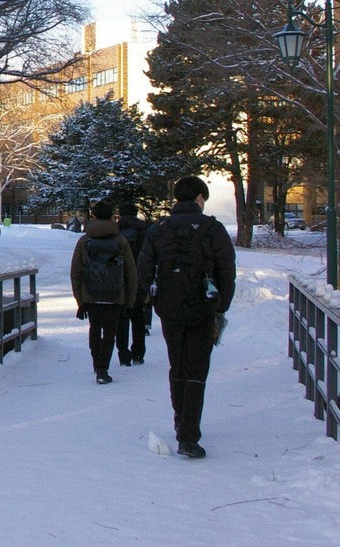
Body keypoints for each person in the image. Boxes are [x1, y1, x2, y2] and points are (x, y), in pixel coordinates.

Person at [137, 176, 236, 459]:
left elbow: (144, 266)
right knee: (197, 369)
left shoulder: (159, 229)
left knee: (177, 365)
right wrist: (221, 305)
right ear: (199, 198)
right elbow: (227, 270)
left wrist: (155, 297)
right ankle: (189, 436)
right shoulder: (212, 229)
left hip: (169, 308)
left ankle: (180, 420)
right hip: (203, 306)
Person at [70, 200, 137, 385]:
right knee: (109, 331)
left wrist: (80, 300)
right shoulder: (120, 241)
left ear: (93, 216)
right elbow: (130, 273)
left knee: (94, 329)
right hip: (115, 294)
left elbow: (75, 272)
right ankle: (103, 369)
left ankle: (96, 362)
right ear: (112, 216)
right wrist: (129, 301)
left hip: (90, 294)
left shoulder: (85, 241)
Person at [115, 201, 150, 366]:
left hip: (119, 279)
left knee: (121, 318)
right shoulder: (144, 230)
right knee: (138, 317)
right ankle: (138, 353)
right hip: (139, 276)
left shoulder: (116, 230)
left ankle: (123, 354)